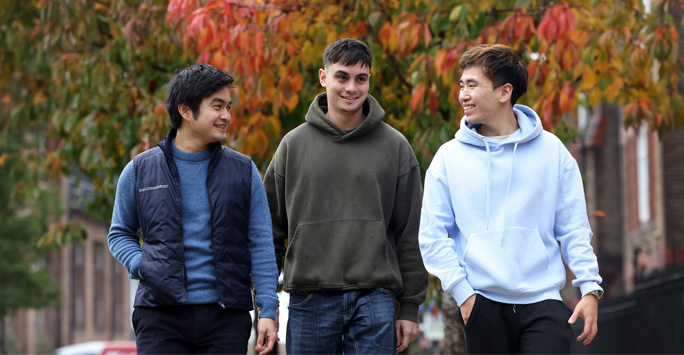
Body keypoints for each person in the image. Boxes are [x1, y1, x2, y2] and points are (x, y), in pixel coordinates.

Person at [418, 44, 604, 354]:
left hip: (543, 303)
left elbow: (573, 228)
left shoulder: (552, 151)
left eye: (472, 85)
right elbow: (432, 236)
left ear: (505, 92)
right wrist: (464, 295)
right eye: (461, 85)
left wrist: (590, 287)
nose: (462, 94)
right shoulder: (448, 158)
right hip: (481, 304)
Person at [264, 38, 428, 354]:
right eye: (342, 76)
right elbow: (269, 232)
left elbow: (410, 232)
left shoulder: (395, 147)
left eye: (360, 78)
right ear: (324, 77)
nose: (351, 87)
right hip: (308, 298)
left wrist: (409, 307)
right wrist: (267, 306)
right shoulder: (292, 145)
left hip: (375, 298)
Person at [107, 63, 278, 355]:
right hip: (159, 315)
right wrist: (142, 265)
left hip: (226, 317)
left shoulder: (244, 171)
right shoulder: (139, 170)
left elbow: (261, 243)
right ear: (185, 110)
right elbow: (119, 233)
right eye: (218, 106)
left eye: (228, 107)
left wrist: (268, 310)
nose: (227, 115)